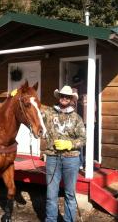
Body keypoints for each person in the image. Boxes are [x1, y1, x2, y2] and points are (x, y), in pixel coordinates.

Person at [42, 85, 86, 222]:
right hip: (52, 158)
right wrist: (17, 96)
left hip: (71, 160)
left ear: (72, 99)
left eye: (67, 96)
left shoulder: (77, 118)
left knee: (70, 194)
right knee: (51, 194)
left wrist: (70, 144)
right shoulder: (48, 113)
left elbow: (83, 139)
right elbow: (33, 110)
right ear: (59, 97)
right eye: (62, 96)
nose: (64, 98)